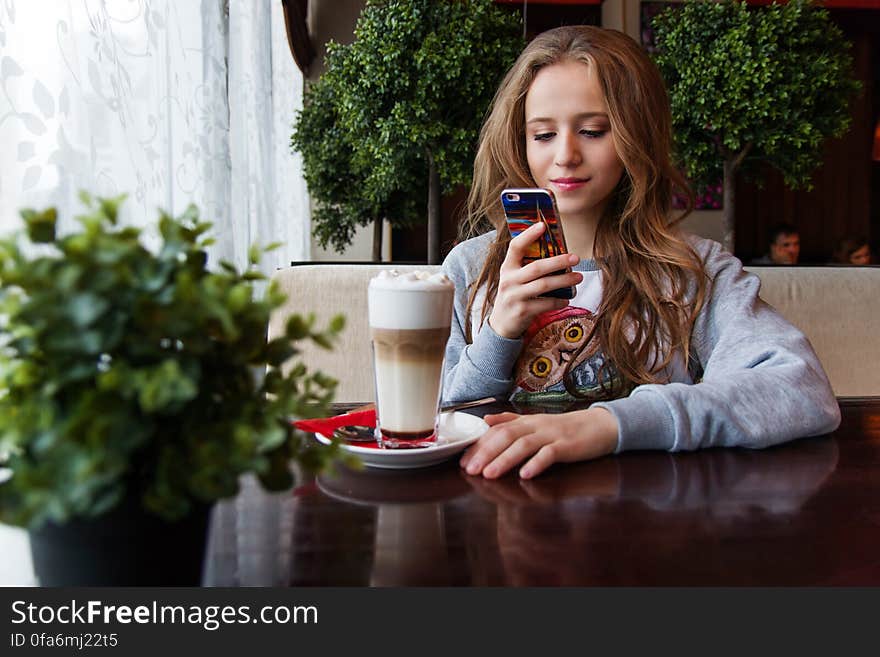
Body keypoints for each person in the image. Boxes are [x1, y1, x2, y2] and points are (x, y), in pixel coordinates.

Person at [440, 26, 840, 480]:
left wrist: (610, 424)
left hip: (648, 521)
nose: (566, 155)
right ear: (519, 141)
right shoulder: (470, 269)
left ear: (637, 137)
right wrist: (498, 335)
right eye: (544, 135)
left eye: (593, 131)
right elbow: (425, 422)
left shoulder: (694, 272)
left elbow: (802, 390)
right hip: (499, 517)